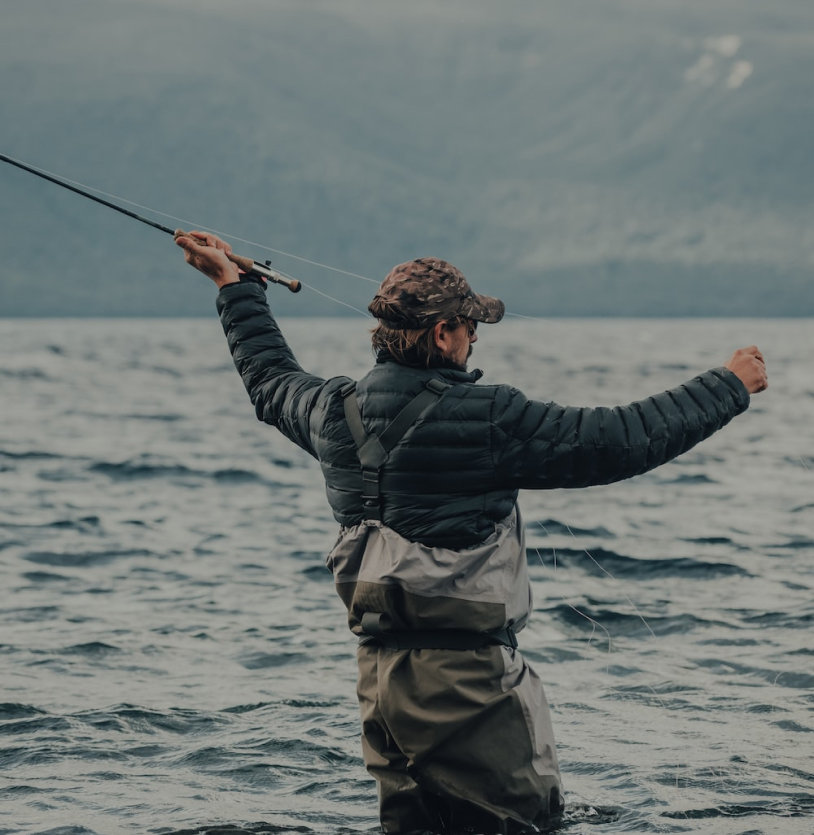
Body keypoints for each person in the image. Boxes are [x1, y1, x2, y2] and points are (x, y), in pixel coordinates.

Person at [175, 231, 768, 835]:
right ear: (442, 334)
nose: (475, 337)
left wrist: (235, 288)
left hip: (380, 684)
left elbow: (269, 381)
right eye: (469, 326)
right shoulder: (489, 417)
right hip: (470, 689)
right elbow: (617, 440)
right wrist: (727, 385)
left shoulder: (333, 412)